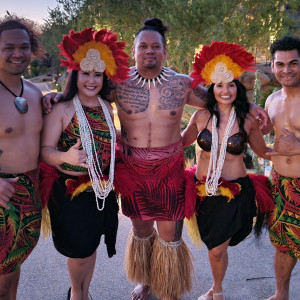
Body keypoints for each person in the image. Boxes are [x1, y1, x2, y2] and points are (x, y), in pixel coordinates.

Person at [43, 18, 269, 300]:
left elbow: (221, 99)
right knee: (141, 231)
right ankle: (148, 282)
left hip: (169, 170)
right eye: (143, 46)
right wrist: (53, 96)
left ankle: (168, 289)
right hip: (132, 170)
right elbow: (82, 88)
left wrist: (252, 105)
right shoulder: (116, 85)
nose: (149, 50)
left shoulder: (182, 85)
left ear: (165, 50)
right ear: (135, 50)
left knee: (169, 235)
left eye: (155, 46)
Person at [39, 27, 129, 300]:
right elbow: (44, 151)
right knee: (79, 252)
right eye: (86, 73)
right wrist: (65, 157)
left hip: (100, 190)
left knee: (91, 247)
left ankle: (86, 292)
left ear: (105, 77)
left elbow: (110, 139)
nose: (91, 80)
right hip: (70, 194)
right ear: (75, 75)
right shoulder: (62, 109)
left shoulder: (106, 107)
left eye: (97, 74)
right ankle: (77, 294)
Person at [182, 41, 274, 300]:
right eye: (219, 85)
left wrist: (290, 148)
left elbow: (264, 152)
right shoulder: (201, 117)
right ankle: (215, 287)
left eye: (230, 84)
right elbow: (179, 142)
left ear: (237, 87)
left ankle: (218, 291)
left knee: (217, 250)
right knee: (214, 246)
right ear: (212, 88)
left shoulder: (246, 120)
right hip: (204, 194)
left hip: (233, 195)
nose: (225, 90)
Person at [0, 18, 43, 300]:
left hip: (30, 195)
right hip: (2, 197)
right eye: (8, 47)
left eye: (24, 47)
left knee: (12, 271)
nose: (18, 53)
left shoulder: (36, 93)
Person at [263, 36, 300, 300]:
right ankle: (281, 295)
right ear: (273, 66)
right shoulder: (272, 100)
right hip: (279, 184)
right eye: (280, 64)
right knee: (283, 245)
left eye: (293, 63)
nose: (286, 69)